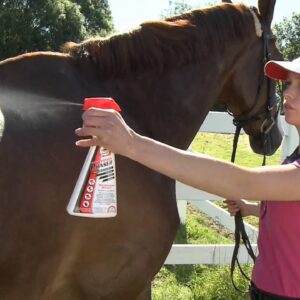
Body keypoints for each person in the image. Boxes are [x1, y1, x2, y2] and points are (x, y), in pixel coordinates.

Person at [75, 57, 300, 300]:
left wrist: (131, 143)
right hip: (264, 289)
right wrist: (252, 209)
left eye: (299, 86)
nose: (287, 94)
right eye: (288, 84)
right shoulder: (294, 156)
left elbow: (244, 182)